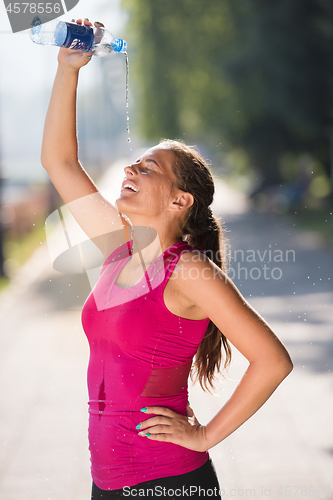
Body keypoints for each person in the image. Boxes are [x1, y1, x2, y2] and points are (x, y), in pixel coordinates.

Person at [41, 18, 293, 499]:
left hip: (168, 484)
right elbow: (59, 161)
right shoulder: (119, 250)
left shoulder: (190, 270)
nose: (132, 166)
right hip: (109, 481)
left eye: (149, 166)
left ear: (180, 201)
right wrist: (67, 69)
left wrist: (203, 436)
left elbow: (272, 360)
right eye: (137, 161)